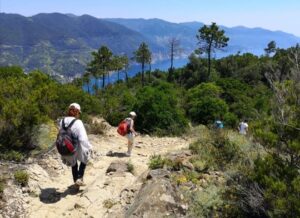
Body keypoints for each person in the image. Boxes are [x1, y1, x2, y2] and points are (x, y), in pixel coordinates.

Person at [60, 103, 92, 186]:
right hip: (74, 146)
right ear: (76, 112)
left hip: (65, 147)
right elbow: (83, 139)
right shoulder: (78, 122)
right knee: (85, 157)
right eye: (79, 113)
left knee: (73, 163)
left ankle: (76, 180)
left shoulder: (62, 121)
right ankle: (79, 177)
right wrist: (89, 147)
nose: (79, 115)